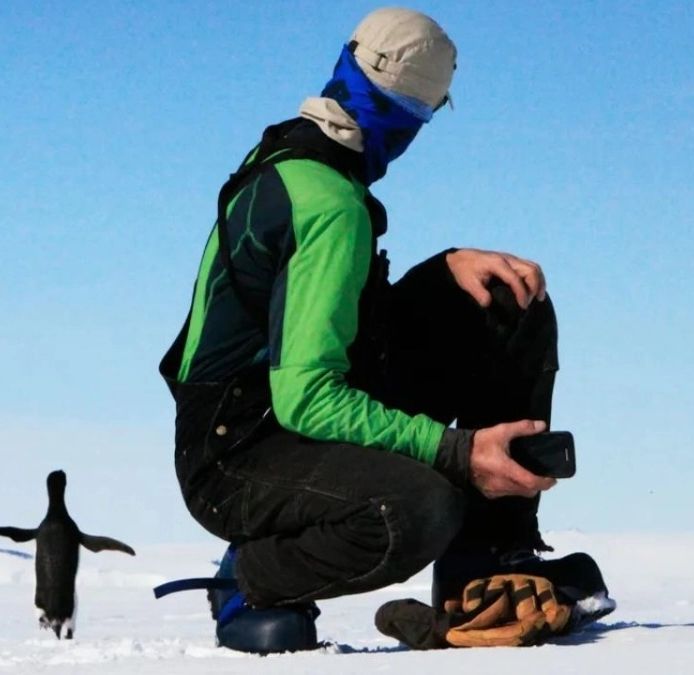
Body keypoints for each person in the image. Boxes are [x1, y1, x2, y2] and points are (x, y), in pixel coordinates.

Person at [157, 7, 611, 653]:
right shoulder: (331, 206)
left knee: (506, 300)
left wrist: (444, 270)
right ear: (417, 118)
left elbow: (320, 326)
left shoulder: (292, 154)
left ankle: (484, 563)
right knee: (417, 509)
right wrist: (458, 451)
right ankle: (250, 576)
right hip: (238, 457)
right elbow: (307, 395)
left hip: (259, 413)